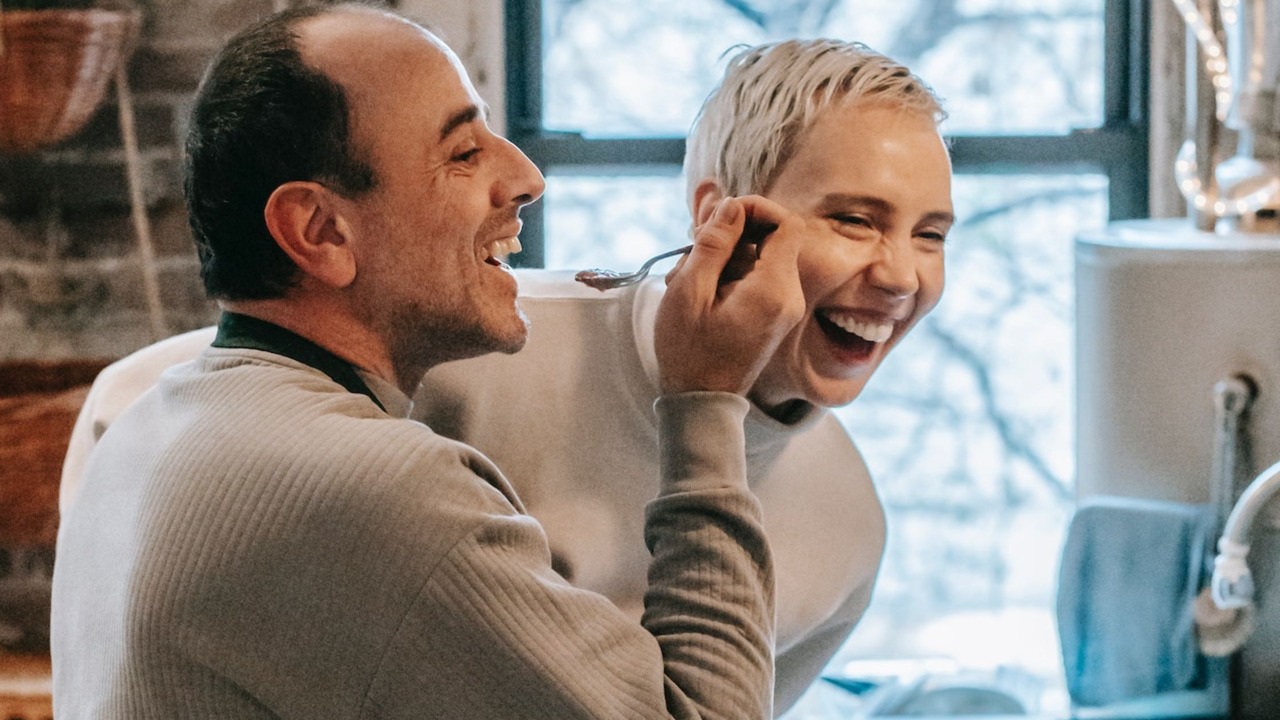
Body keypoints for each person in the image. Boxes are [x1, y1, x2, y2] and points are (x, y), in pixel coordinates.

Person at [58, 32, 955, 716]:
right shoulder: (466, 357)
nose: (903, 274)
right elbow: (144, 408)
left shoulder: (850, 531)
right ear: (726, 218)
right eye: (854, 220)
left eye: (932, 234)